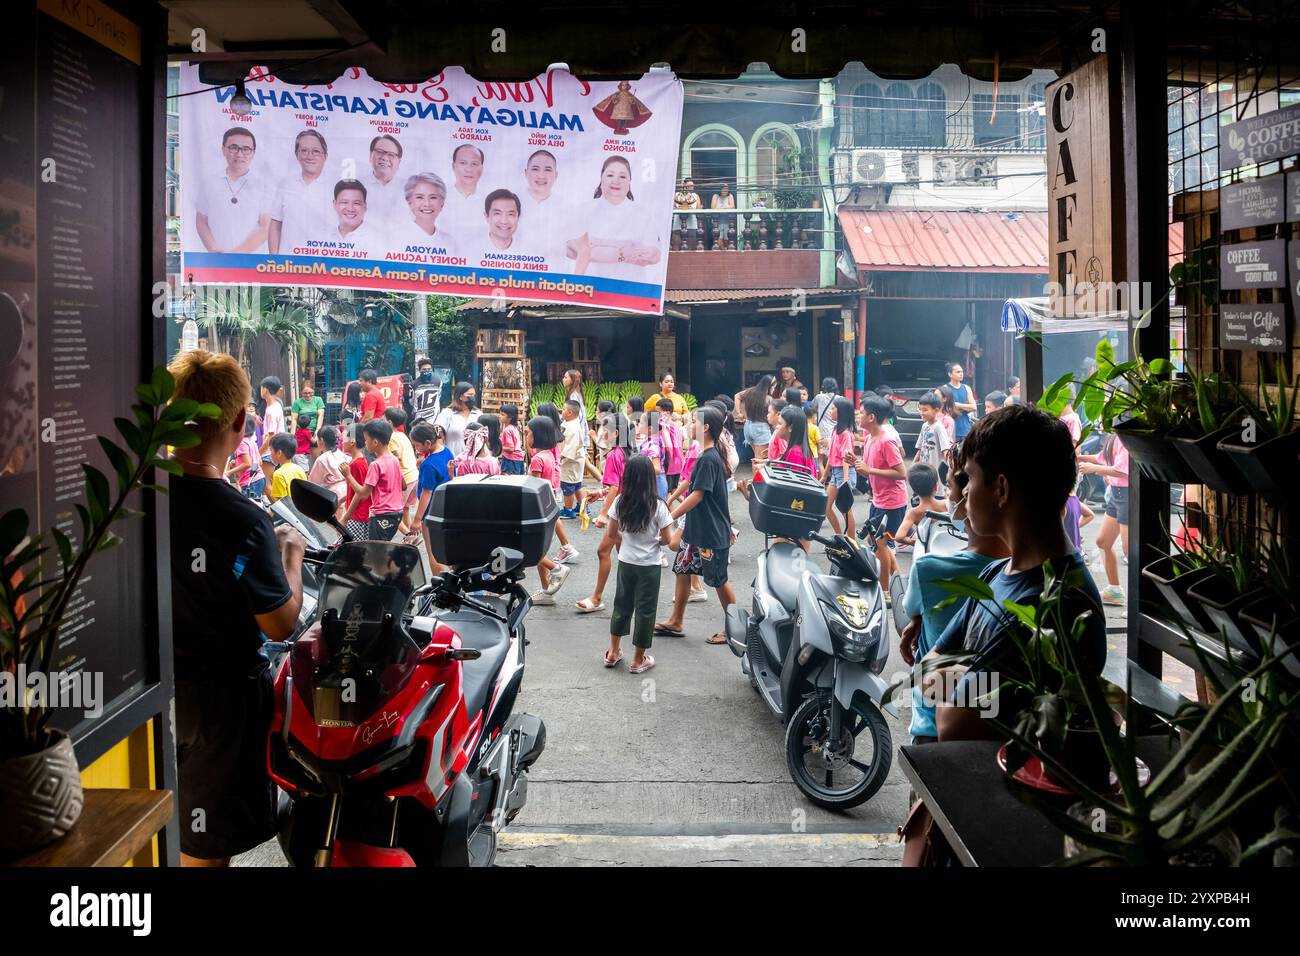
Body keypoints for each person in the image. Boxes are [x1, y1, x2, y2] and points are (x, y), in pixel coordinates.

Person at [166, 350, 305, 866]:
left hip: (147, 695)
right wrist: (290, 554)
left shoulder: (133, 500)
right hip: (219, 707)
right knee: (203, 850)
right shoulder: (241, 519)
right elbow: (280, 621)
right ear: (242, 421)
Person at [918, 403, 1106, 744]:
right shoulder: (995, 574)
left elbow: (952, 725)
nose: (964, 492)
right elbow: (926, 672)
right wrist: (970, 674)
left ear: (1001, 489)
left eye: (971, 477)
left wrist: (960, 673)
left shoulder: (1049, 604)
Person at [898, 448, 1009, 745]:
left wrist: (917, 623)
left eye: (952, 486)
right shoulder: (1004, 573)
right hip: (993, 732)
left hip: (937, 729)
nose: (951, 497)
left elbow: (933, 679)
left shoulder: (929, 569)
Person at [655, 406, 735, 644]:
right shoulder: (706, 455)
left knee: (719, 580)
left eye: (692, 422)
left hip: (710, 533)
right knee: (682, 569)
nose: (689, 426)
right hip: (697, 531)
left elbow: (697, 494)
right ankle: (676, 621)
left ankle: (735, 628)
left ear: (706, 427)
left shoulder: (709, 458)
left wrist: (670, 516)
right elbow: (693, 486)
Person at [602, 455, 675, 674]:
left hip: (626, 561)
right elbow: (668, 539)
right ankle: (638, 659)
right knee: (645, 610)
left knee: (622, 605)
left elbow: (611, 533)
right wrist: (655, 543)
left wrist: (625, 543)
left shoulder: (620, 501)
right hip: (650, 565)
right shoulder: (658, 506)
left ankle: (613, 652)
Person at [576, 413, 636, 614]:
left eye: (605, 430)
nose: (602, 434)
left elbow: (614, 487)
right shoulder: (628, 452)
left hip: (619, 511)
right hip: (629, 507)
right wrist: (600, 493)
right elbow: (618, 486)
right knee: (625, 554)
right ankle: (632, 594)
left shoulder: (612, 455)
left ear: (616, 433)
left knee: (604, 551)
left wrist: (603, 513)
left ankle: (597, 597)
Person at [567, 156, 661, 281]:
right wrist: (624, 248)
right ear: (601, 179)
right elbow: (570, 248)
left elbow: (653, 254)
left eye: (622, 176)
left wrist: (598, 246)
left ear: (629, 182)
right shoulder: (584, 210)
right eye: (610, 175)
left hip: (629, 286)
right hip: (590, 285)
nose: (616, 181)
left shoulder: (642, 213)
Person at [851, 396, 908, 593]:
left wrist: (870, 470)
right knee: (873, 541)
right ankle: (899, 580)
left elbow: (902, 473)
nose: (858, 415)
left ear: (871, 417)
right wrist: (856, 464)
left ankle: (884, 591)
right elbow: (867, 469)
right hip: (879, 498)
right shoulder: (868, 438)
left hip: (892, 501)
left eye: (861, 412)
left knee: (881, 544)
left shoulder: (887, 440)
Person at [195, 127, 271, 254]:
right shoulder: (209, 183)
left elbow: (265, 227)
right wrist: (214, 249)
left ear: (253, 153)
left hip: (252, 262)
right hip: (216, 259)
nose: (239, 154)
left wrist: (236, 254)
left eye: (246, 149)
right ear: (223, 150)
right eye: (233, 147)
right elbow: (201, 220)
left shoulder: (263, 186)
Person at [1079, 431, 1129, 606]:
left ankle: (1139, 603)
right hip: (1117, 495)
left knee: (1129, 551)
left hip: (1127, 495)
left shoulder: (1124, 438)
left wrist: (1093, 468)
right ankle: (1114, 590)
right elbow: (1101, 457)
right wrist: (1080, 458)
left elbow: (1122, 471)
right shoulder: (1115, 437)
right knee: (1103, 542)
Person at [526, 415, 572, 604]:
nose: (526, 437)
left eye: (528, 433)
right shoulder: (549, 455)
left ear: (537, 436)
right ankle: (546, 590)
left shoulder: (538, 458)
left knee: (530, 549)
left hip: (538, 507)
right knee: (540, 548)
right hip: (549, 504)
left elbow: (535, 486)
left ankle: (557, 569)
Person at [268, 129, 332, 255]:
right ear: (296, 154)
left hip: (324, 267)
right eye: (304, 151)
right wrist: (274, 260)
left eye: (316, 151)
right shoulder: (285, 184)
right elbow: (275, 225)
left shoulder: (335, 188)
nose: (309, 156)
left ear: (325, 156)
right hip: (288, 265)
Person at [342, 418, 406, 541]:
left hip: (381, 515)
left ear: (375, 442)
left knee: (376, 552)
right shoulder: (394, 460)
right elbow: (403, 486)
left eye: (366, 440)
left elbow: (363, 494)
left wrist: (348, 476)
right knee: (383, 548)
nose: (365, 443)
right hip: (397, 513)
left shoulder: (375, 465)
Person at [388, 172, 461, 260]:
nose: (427, 204)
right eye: (419, 197)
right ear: (409, 202)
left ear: (442, 204)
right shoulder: (395, 238)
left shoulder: (449, 243)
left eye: (433, 197)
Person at [410, 422, 453, 568]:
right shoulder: (447, 451)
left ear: (428, 442)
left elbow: (426, 493)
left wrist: (417, 519)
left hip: (430, 512)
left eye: (417, 445)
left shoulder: (428, 464)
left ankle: (439, 586)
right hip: (445, 507)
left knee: (433, 553)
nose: (416, 449)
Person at [822, 396, 856, 536]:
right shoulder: (835, 430)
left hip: (844, 473)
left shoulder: (846, 434)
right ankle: (840, 537)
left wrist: (846, 480)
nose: (831, 410)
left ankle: (852, 542)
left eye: (834, 408)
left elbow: (846, 458)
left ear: (841, 412)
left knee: (845, 509)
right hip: (836, 473)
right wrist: (825, 475)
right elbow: (831, 455)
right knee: (826, 507)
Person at [893, 463, 948, 546]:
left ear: (914, 489)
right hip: (949, 543)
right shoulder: (946, 504)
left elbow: (899, 537)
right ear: (936, 486)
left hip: (930, 549)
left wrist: (914, 542)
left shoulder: (913, 513)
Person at [359, 134, 406, 230]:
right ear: (370, 155)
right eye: (380, 152)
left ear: (399, 162)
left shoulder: (410, 189)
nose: (384, 158)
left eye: (391, 155)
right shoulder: (356, 186)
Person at [384, 407, 420, 531]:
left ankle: (408, 536)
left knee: (392, 511)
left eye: (383, 418)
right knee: (405, 509)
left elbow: (397, 458)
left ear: (389, 422)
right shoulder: (402, 435)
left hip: (405, 478)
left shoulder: (391, 437)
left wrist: (397, 479)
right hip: (414, 476)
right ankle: (411, 537)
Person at [325, 179, 383, 255]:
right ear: (335, 204)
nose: (350, 209)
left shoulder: (377, 239)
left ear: (365, 206)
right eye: (344, 202)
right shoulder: (324, 236)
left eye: (356, 203)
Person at [441, 144, 486, 237]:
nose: (469, 169)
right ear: (453, 166)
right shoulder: (439, 198)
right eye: (463, 163)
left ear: (481, 169)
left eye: (474, 164)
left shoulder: (489, 201)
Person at [914, 390, 953, 488]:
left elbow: (946, 451)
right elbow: (920, 448)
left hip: (936, 475)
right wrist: (913, 466)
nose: (921, 413)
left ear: (936, 410)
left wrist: (951, 470)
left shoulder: (939, 427)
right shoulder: (924, 426)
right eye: (920, 409)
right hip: (924, 472)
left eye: (925, 410)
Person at [307, 425, 350, 514]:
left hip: (334, 495)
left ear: (321, 441)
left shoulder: (322, 459)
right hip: (348, 492)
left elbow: (312, 483)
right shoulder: (343, 455)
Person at [341, 424, 372, 540]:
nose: (342, 442)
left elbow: (359, 493)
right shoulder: (359, 460)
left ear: (352, 441)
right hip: (359, 514)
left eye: (344, 439)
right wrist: (343, 499)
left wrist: (345, 517)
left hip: (358, 515)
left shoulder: (356, 464)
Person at [558, 399, 587, 517]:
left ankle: (568, 509)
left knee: (568, 486)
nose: (562, 411)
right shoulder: (569, 422)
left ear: (570, 413)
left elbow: (571, 447)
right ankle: (583, 506)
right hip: (574, 460)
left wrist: (561, 457)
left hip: (571, 460)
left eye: (564, 409)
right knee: (576, 485)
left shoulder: (573, 428)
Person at [434, 381, 476, 458]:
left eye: (474, 395)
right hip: (452, 460)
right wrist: (441, 452)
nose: (472, 398)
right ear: (460, 397)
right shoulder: (447, 413)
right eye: (470, 395)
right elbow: (437, 430)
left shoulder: (477, 414)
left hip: (473, 463)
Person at [772, 404, 817, 476]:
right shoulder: (797, 449)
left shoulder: (795, 453)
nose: (776, 427)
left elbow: (793, 484)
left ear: (791, 427)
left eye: (780, 424)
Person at [257, 375, 287, 484]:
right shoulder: (275, 406)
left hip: (269, 451)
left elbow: (271, 436)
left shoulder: (271, 410)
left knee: (265, 484)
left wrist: (259, 452)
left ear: (266, 389)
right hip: (274, 449)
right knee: (271, 483)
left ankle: (280, 502)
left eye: (262, 387)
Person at [739, 375, 774, 461]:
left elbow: (737, 396)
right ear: (769, 386)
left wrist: (739, 412)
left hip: (748, 425)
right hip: (760, 428)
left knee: (757, 457)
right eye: (774, 385)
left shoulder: (750, 392)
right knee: (761, 459)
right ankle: (758, 475)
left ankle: (756, 475)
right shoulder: (768, 399)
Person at [224, 416, 261, 499]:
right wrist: (236, 462)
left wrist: (228, 472)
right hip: (259, 478)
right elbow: (259, 461)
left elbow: (247, 464)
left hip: (250, 481)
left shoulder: (241, 443)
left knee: (250, 506)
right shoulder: (251, 440)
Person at [480, 188, 523, 254]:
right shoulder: (470, 250)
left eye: (510, 214)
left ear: (518, 217)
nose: (504, 221)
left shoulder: (528, 252)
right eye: (497, 213)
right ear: (487, 217)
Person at [268, 432, 306, 502]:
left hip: (288, 511)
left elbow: (279, 503)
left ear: (279, 453)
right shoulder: (299, 469)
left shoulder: (278, 474)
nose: (270, 453)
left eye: (271, 450)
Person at [945, 362, 977, 443]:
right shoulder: (945, 389)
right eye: (958, 372)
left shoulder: (966, 388)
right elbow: (942, 408)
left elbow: (974, 407)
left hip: (964, 428)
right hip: (949, 428)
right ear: (950, 374)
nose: (961, 374)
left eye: (962, 372)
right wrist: (966, 406)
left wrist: (957, 405)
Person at [498, 403, 526, 475]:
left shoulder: (507, 430)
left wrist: (499, 447)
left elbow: (511, 449)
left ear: (510, 417)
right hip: (518, 460)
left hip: (510, 461)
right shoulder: (514, 428)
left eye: (502, 415)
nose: (499, 416)